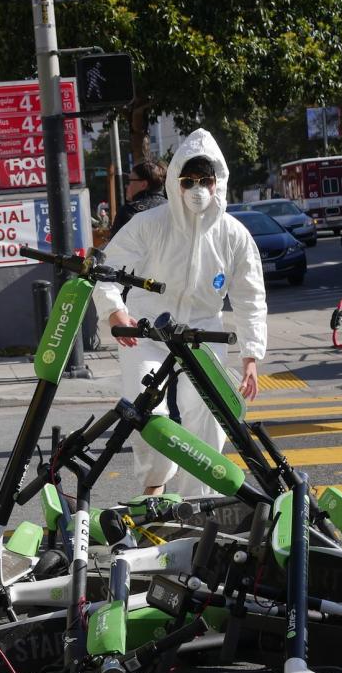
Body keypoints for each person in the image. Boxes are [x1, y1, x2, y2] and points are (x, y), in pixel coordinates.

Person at [93, 129, 267, 497]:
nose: (197, 189)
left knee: (209, 416)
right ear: (176, 182)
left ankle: (196, 504)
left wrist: (251, 355)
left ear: (217, 181)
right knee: (147, 413)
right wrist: (114, 313)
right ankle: (154, 488)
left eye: (205, 180)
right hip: (147, 331)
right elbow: (107, 271)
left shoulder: (233, 235)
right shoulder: (150, 225)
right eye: (189, 181)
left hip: (203, 333)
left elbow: (250, 295)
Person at [109, 157, 168, 238]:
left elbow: (113, 248)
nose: (126, 185)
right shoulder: (173, 209)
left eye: (129, 181)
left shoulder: (128, 212)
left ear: (143, 184)